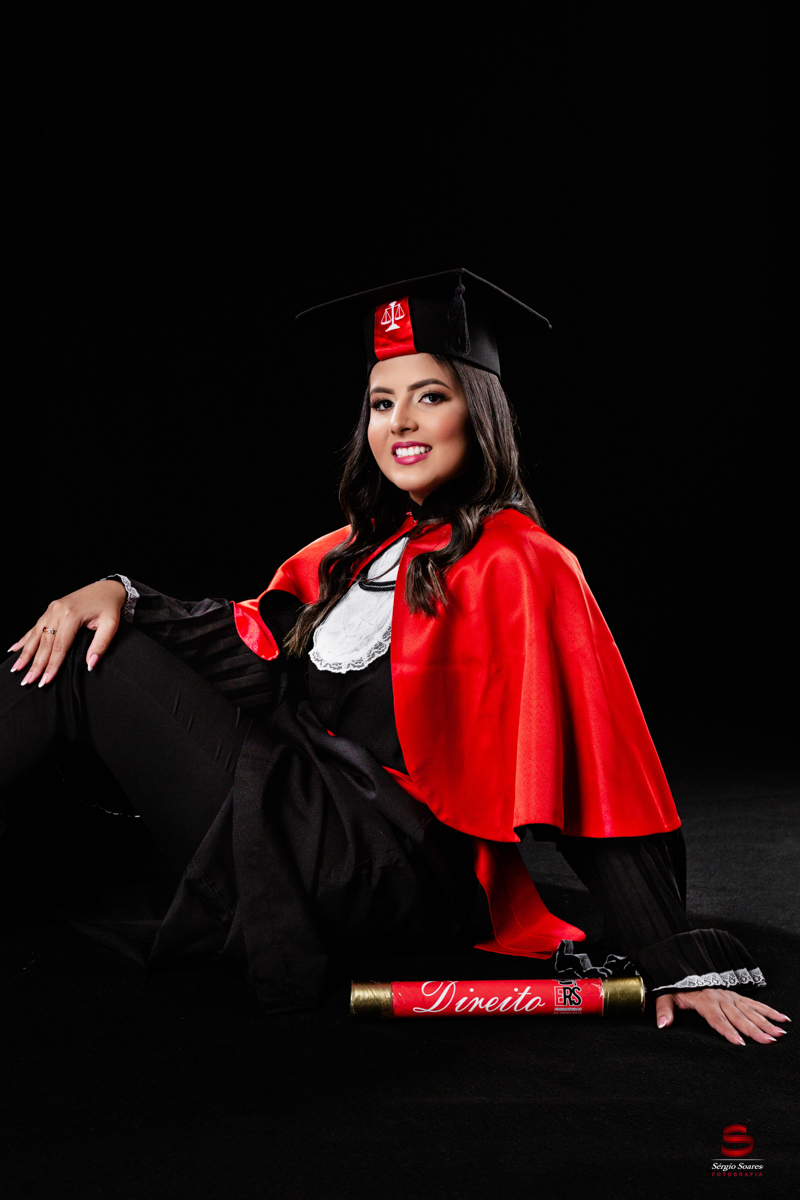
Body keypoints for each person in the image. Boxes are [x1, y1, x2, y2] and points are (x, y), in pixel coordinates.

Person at [1, 269, 788, 1045]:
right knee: (84, 641)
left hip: (379, 861)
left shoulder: (524, 562)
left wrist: (674, 957)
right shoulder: (357, 552)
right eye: (382, 403)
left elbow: (602, 763)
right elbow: (250, 653)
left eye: (430, 397)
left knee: (85, 670)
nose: (400, 422)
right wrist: (119, 593)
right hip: (303, 806)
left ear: (479, 413)